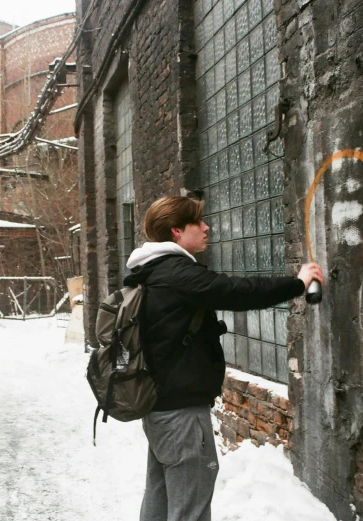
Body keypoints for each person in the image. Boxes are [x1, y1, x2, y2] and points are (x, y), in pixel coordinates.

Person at [123, 195, 323, 521]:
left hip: (159, 410)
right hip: (182, 416)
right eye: (197, 222)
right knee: (191, 508)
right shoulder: (178, 274)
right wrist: (296, 283)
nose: (207, 227)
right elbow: (237, 290)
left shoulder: (149, 271)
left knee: (160, 501)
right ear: (176, 230)